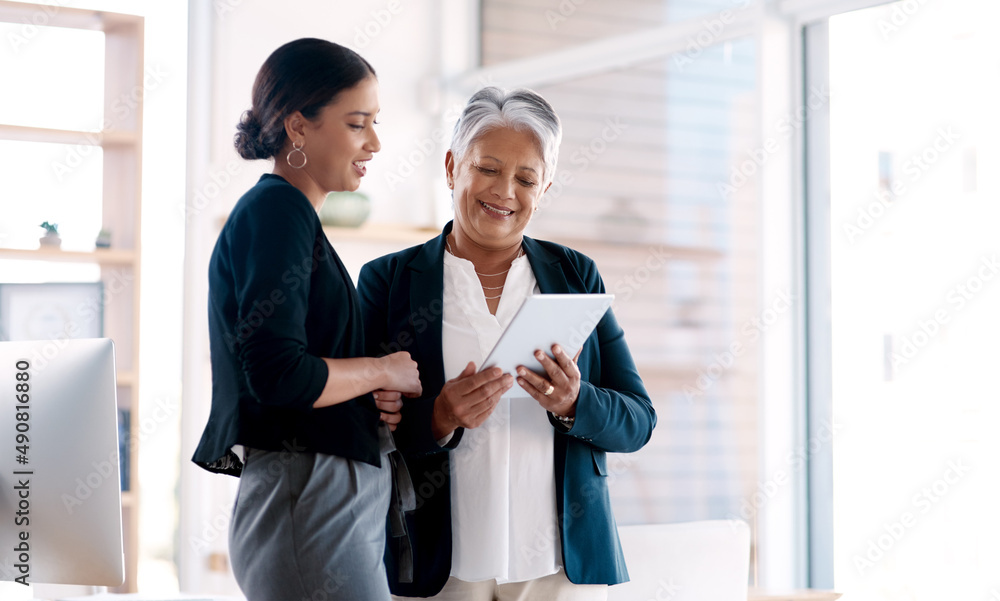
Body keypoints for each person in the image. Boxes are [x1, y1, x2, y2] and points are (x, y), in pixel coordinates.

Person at [357, 87, 656, 601]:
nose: (505, 192)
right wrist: (438, 417)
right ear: (452, 167)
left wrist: (573, 403)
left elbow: (638, 421)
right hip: (440, 566)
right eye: (488, 169)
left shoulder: (575, 274)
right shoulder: (388, 281)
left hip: (559, 568)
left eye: (526, 178)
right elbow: (356, 426)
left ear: (545, 188)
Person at [191, 38, 421, 601]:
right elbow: (280, 376)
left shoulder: (291, 216)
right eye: (357, 123)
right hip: (311, 499)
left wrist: (370, 390)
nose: (375, 142)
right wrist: (381, 371)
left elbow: (300, 366)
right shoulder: (278, 212)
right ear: (299, 127)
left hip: (320, 498)